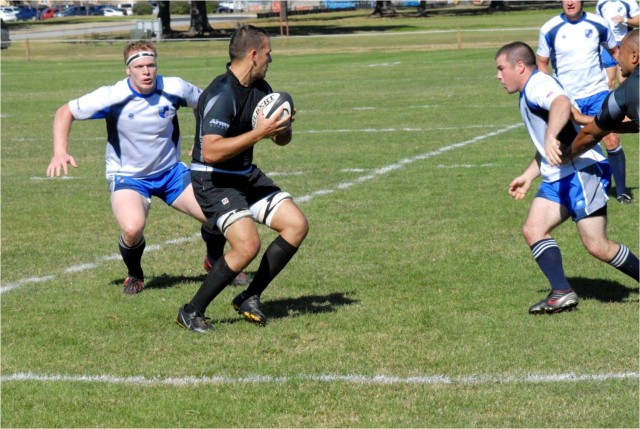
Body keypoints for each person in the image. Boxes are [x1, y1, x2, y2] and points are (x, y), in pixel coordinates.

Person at [47, 40, 248, 295]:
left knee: (216, 216)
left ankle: (214, 260)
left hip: (171, 173)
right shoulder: (113, 96)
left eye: (151, 65)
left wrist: (203, 142)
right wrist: (59, 151)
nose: (146, 71)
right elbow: (65, 112)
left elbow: (204, 103)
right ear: (127, 70)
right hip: (129, 177)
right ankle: (135, 273)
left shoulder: (174, 87)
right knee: (132, 228)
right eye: (139, 66)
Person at [176, 25, 309, 332]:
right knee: (247, 246)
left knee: (296, 225)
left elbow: (280, 142)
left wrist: (283, 127)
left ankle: (250, 296)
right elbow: (210, 152)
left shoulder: (262, 89)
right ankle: (191, 310)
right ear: (253, 55)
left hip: (244, 174)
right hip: (214, 180)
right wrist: (259, 133)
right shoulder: (222, 94)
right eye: (268, 53)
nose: (270, 58)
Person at [495, 41, 639, 315]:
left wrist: (550, 134)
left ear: (520, 66)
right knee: (533, 230)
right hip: (558, 176)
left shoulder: (538, 85)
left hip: (580, 172)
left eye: (502, 69)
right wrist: (528, 175)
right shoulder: (528, 91)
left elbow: (561, 104)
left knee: (597, 246)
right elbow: (552, 146)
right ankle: (562, 292)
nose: (498, 76)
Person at [537, 0, 632, 204]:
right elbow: (542, 63)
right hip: (567, 98)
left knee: (612, 139)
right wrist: (551, 92)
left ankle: (622, 192)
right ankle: (564, 192)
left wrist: (629, 78)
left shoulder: (598, 24)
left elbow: (616, 52)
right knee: (571, 145)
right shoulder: (549, 29)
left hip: (597, 92)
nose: (569, 2)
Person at [566, 29, 639, 160]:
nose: (617, 60)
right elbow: (635, 123)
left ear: (634, 56)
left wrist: (564, 158)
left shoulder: (624, 93)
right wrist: (583, 119)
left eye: (620, 53)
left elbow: (591, 134)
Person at [595, 0, 639, 88]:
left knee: (623, 80)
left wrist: (624, 20)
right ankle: (611, 100)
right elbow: (597, 23)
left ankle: (629, 99)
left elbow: (639, 21)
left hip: (624, 44)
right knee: (609, 81)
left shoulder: (629, 2)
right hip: (606, 46)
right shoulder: (601, 3)